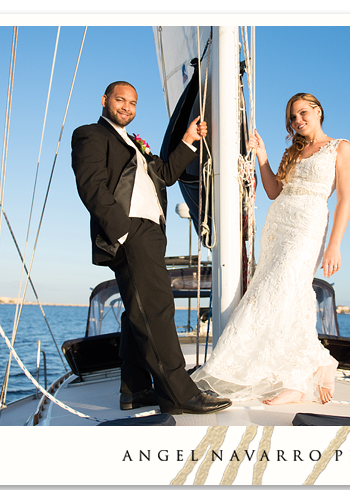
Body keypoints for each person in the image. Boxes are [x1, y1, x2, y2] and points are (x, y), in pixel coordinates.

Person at [71, 81, 232, 415]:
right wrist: (123, 231)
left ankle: (136, 390)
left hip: (151, 232)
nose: (127, 107)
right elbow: (91, 186)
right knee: (158, 309)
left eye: (132, 102)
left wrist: (188, 139)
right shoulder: (90, 134)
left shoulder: (136, 144)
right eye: (120, 100)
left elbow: (168, 174)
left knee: (136, 313)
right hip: (130, 231)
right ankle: (178, 394)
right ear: (105, 100)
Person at [190, 92, 350, 405]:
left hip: (307, 225)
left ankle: (304, 372)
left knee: (279, 289)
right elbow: (273, 191)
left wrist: (334, 244)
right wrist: (262, 156)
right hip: (278, 226)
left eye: (303, 113)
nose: (298, 121)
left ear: (318, 112)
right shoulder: (292, 151)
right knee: (284, 293)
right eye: (292, 117)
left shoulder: (340, 147)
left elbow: (345, 198)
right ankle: (306, 372)